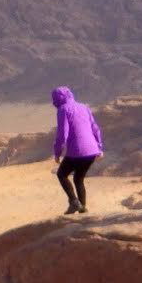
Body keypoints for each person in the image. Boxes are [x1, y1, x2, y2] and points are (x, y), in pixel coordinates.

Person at [50, 86, 104, 214]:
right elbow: (95, 128)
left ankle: (74, 202)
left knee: (62, 174)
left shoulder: (63, 109)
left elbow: (63, 133)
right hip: (92, 151)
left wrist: (57, 152)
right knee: (78, 179)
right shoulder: (84, 107)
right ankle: (82, 209)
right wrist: (99, 147)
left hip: (77, 150)